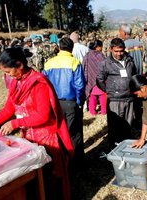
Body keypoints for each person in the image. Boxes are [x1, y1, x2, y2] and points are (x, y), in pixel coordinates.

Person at [0, 47, 74, 200]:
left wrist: (15, 123)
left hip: (47, 139)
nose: (7, 75)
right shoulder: (16, 84)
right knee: (35, 181)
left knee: (50, 179)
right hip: (29, 136)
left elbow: (43, 116)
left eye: (8, 71)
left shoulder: (38, 83)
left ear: (19, 65)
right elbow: (8, 110)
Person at [43, 37, 86, 166]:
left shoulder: (49, 63)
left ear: (59, 47)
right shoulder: (75, 62)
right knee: (74, 132)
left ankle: (61, 161)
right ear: (72, 48)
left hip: (54, 103)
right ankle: (76, 162)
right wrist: (79, 102)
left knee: (59, 132)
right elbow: (80, 86)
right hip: (71, 102)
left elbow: (43, 84)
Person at [96, 38, 137, 148]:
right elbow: (99, 79)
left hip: (129, 99)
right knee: (115, 127)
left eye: (121, 51)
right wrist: (109, 91)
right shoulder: (105, 63)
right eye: (116, 51)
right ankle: (114, 150)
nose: (119, 54)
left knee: (128, 126)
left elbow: (134, 75)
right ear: (111, 50)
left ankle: (126, 149)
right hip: (114, 99)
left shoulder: (129, 60)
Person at [83, 39, 107, 116]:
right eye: (101, 47)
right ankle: (103, 111)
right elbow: (105, 67)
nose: (102, 48)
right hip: (100, 79)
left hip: (90, 80)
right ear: (97, 47)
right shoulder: (101, 56)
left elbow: (84, 67)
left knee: (92, 96)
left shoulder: (87, 55)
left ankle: (92, 111)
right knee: (102, 96)